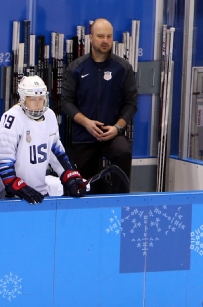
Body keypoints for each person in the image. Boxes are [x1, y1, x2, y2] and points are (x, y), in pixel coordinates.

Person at [61, 18, 138, 193]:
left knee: (123, 152)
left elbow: (131, 103)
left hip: (112, 134)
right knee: (83, 186)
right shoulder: (76, 68)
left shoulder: (123, 68)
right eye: (101, 36)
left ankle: (120, 201)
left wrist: (117, 128)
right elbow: (66, 103)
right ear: (90, 38)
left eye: (109, 36)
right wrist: (87, 123)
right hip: (84, 135)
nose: (105, 40)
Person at [0, 75, 86, 204]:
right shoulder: (12, 118)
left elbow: (55, 151)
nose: (37, 103)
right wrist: (14, 184)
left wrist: (69, 174)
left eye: (41, 99)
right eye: (32, 99)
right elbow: (3, 157)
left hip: (39, 193)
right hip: (13, 196)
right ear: (23, 99)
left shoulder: (50, 116)